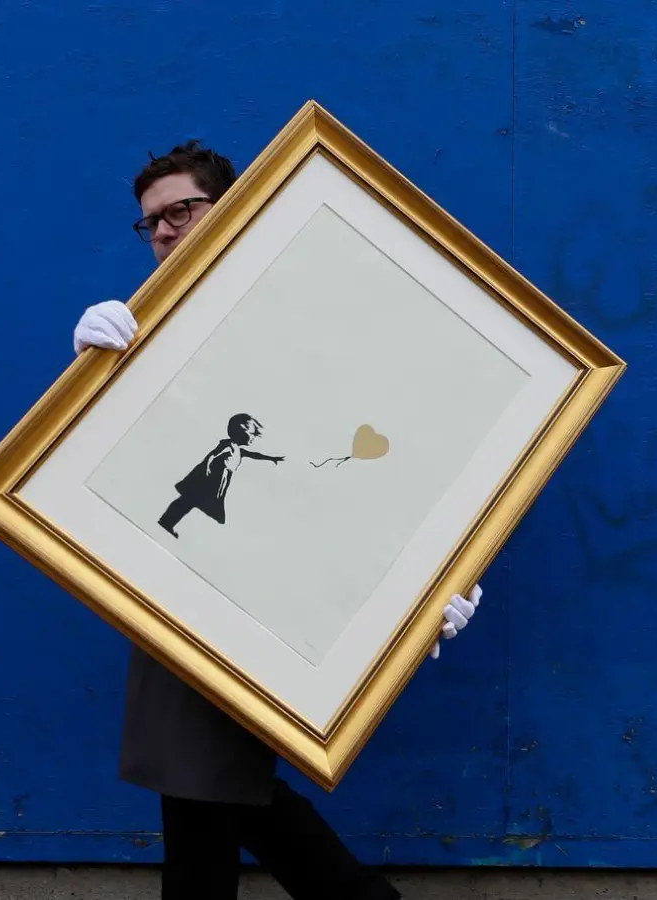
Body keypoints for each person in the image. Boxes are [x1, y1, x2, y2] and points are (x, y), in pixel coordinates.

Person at [70, 140, 484, 900]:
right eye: (149, 223)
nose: (161, 231)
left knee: (205, 784)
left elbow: (381, 447)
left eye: (179, 212)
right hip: (183, 588)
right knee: (207, 785)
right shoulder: (146, 332)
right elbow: (120, 463)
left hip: (282, 589)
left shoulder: (305, 311)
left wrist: (442, 574)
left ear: (230, 205)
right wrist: (90, 384)